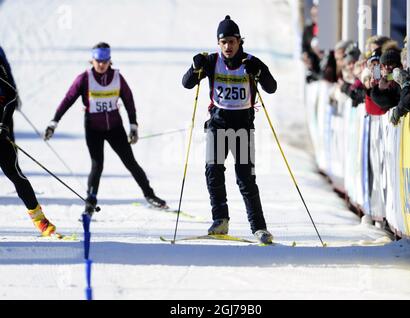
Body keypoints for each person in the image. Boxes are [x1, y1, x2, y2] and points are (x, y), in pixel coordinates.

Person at [182, 16, 277, 244]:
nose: (228, 46)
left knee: (245, 179)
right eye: (223, 42)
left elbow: (271, 88)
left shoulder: (251, 61)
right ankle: (220, 219)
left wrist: (260, 73)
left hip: (243, 127)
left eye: (232, 41)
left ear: (239, 41)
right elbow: (186, 83)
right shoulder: (211, 61)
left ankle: (259, 227)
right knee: (213, 171)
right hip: (217, 125)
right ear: (218, 43)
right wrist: (195, 66)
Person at [44, 42, 166, 214]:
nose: (101, 65)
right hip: (93, 129)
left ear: (110, 61)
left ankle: (150, 195)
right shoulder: (84, 79)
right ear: (92, 60)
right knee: (97, 165)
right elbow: (68, 100)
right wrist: (53, 122)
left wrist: (133, 126)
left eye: (105, 61)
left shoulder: (117, 77)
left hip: (115, 128)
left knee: (130, 162)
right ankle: (91, 201)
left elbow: (129, 101)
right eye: (98, 61)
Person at [0, 50, 56, 236]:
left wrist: (4, 124)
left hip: (1, 128)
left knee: (14, 173)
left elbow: (11, 95)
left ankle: (40, 220)